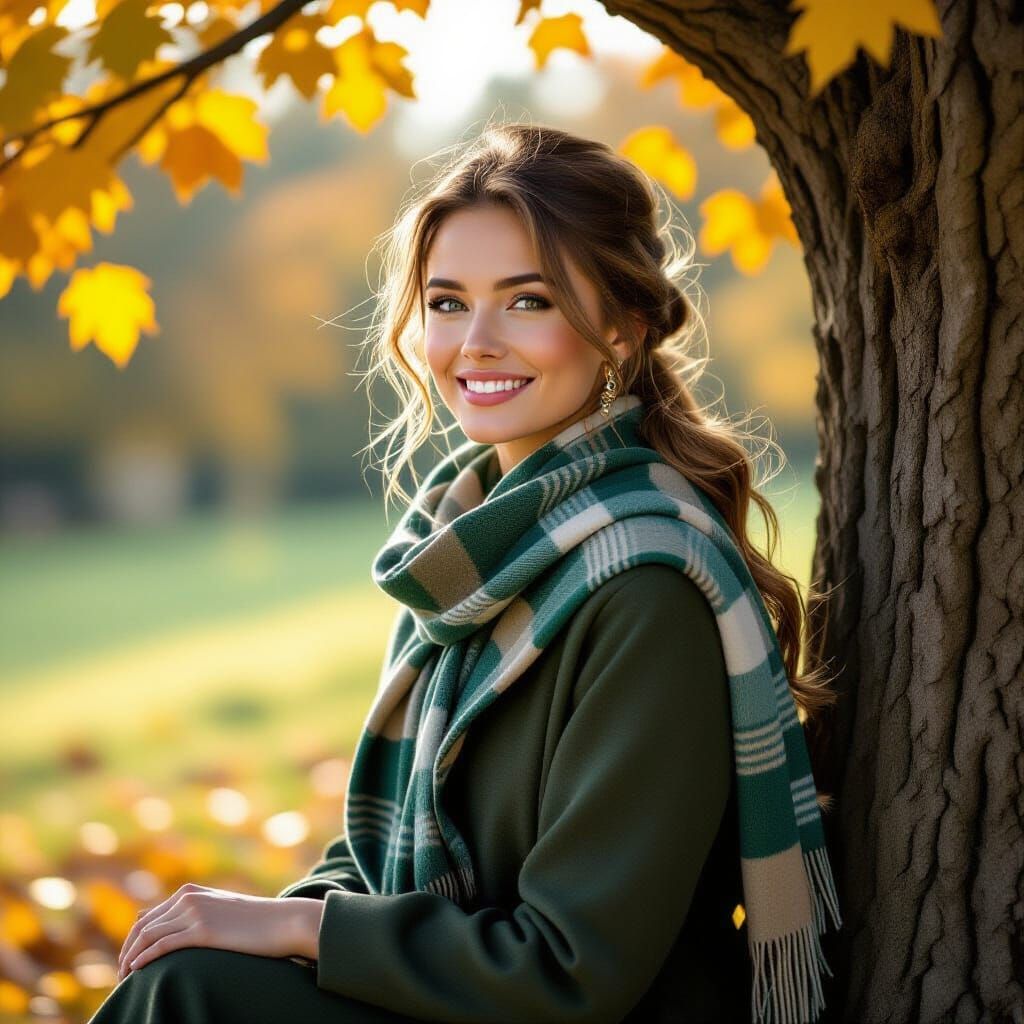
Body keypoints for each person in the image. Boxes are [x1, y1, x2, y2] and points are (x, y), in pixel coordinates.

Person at [90, 120, 843, 1024]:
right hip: (457, 987)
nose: (475, 342)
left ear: (621, 324)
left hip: (566, 1009)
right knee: (183, 972)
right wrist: (271, 916)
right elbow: (387, 857)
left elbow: (576, 969)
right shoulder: (471, 556)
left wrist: (301, 931)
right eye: (447, 303)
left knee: (187, 996)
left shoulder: (647, 587)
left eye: (528, 301)